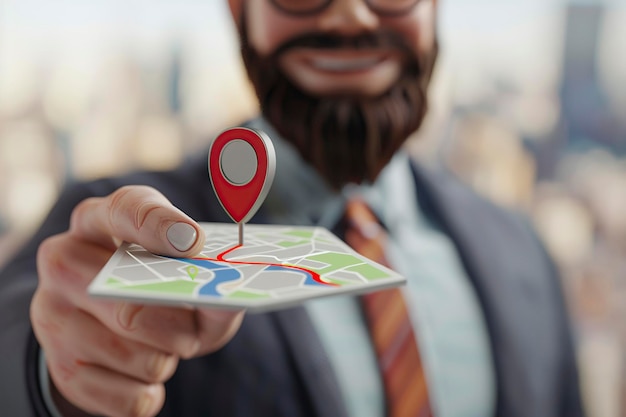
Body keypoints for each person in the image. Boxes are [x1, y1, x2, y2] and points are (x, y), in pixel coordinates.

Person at [0, 0, 585, 416]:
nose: (351, 13)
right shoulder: (121, 233)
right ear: (239, 12)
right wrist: (52, 374)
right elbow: (31, 323)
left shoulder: (521, 249)